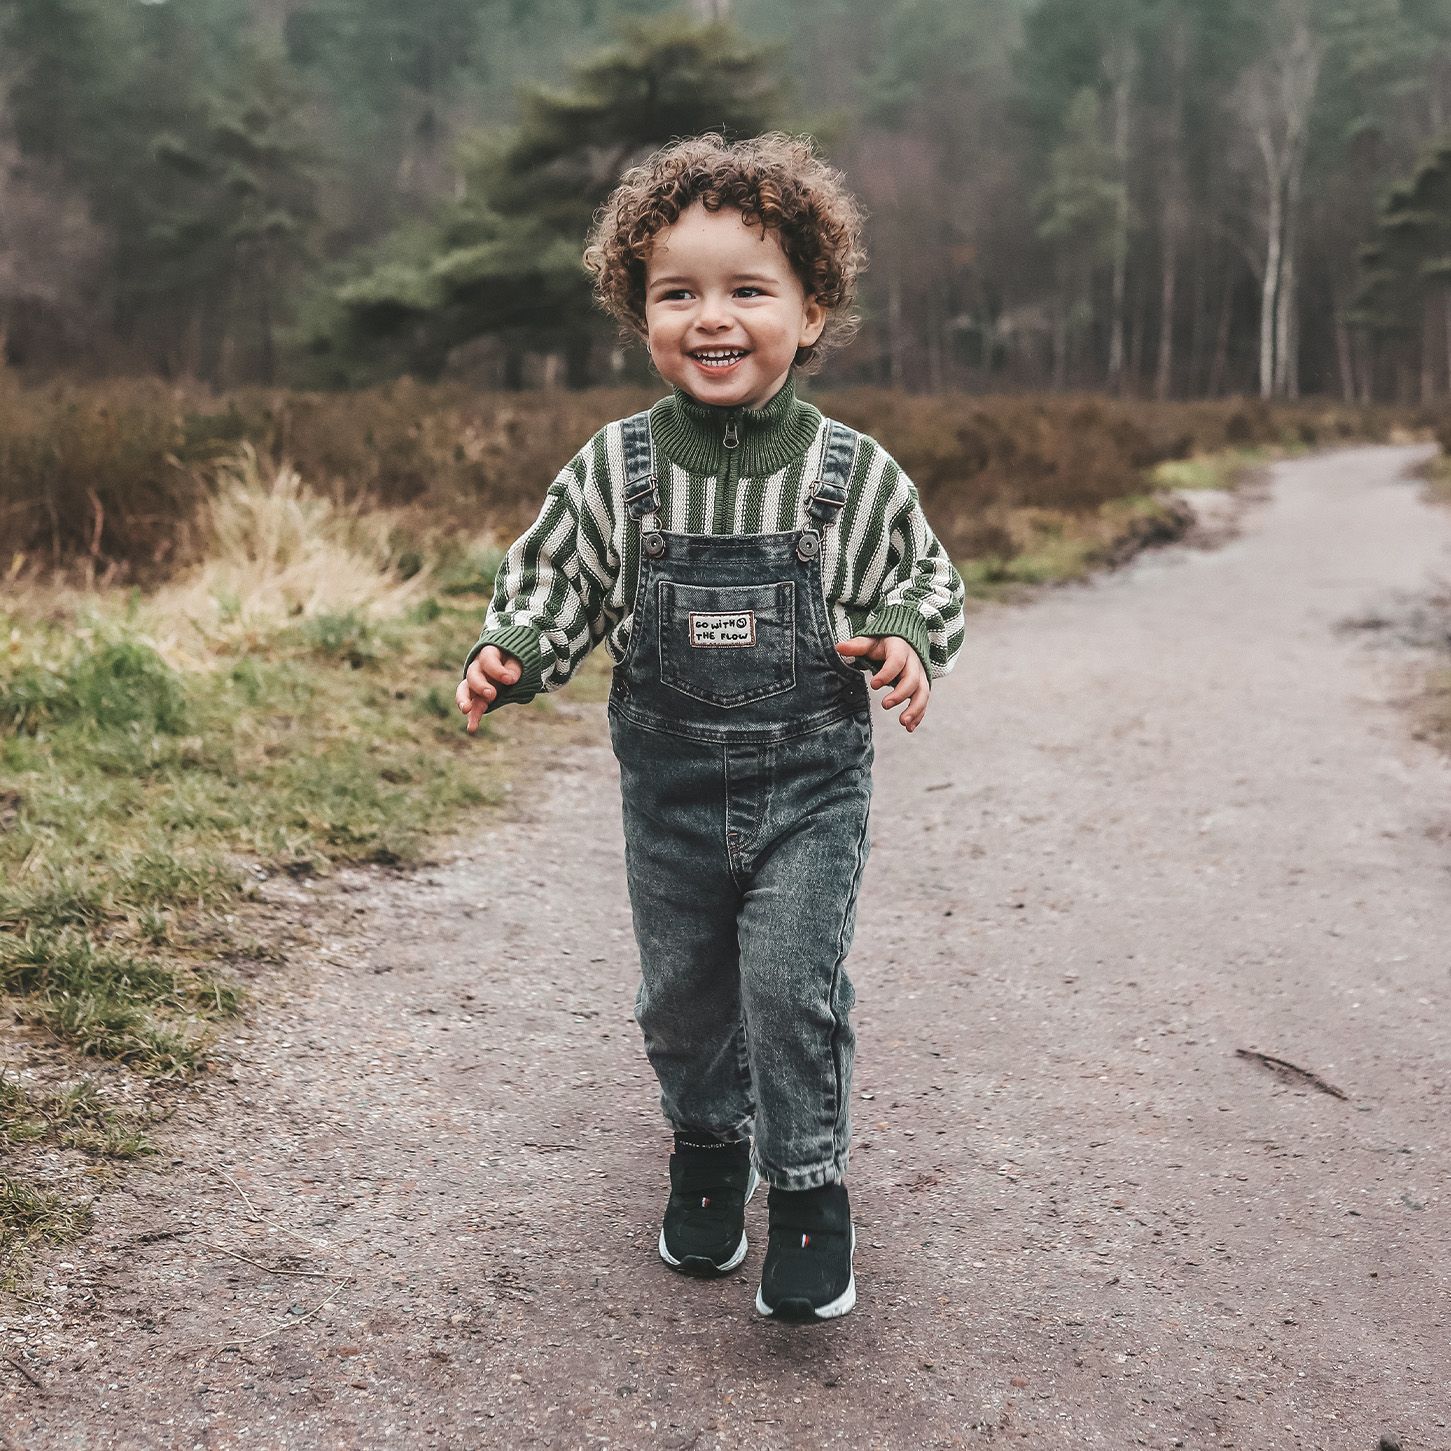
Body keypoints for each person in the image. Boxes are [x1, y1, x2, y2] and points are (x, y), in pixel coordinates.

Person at [456, 132, 965, 1322]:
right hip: (669, 794)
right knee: (680, 996)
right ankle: (705, 1150)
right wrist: (515, 648)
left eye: (748, 289)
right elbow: (557, 578)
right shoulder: (617, 469)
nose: (712, 317)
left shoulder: (849, 473)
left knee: (791, 986)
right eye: (676, 293)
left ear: (811, 308)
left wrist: (901, 633)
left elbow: (923, 574)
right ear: (639, 313)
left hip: (809, 788)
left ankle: (808, 1189)